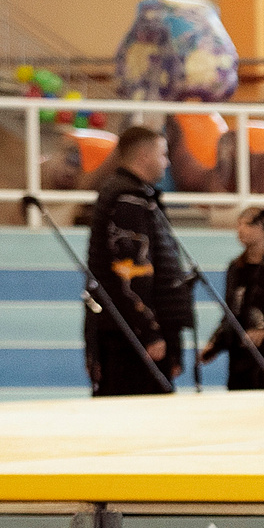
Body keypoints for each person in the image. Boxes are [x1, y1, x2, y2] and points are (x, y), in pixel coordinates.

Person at [82, 126, 187, 397]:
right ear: (143, 156)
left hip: (130, 331)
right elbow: (129, 274)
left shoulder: (136, 195)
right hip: (129, 338)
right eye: (163, 154)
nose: (168, 162)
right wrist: (149, 331)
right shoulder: (128, 199)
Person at [202, 206, 264, 391]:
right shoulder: (236, 266)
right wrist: (215, 343)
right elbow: (231, 311)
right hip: (241, 350)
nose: (240, 230)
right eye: (239, 224)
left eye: (248, 224)